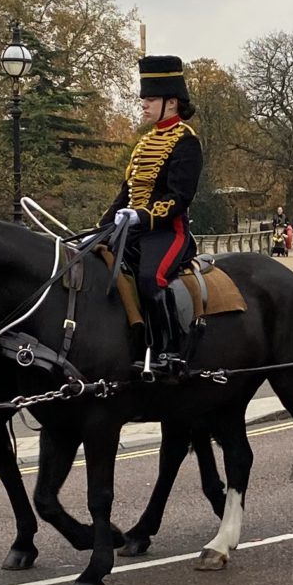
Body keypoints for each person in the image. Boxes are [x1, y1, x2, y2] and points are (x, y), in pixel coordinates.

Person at [105, 54, 203, 374]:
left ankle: (168, 352)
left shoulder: (186, 142)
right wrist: (102, 228)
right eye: (144, 99)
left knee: (151, 278)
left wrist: (141, 217)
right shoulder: (143, 144)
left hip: (167, 232)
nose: (144, 105)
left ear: (171, 102)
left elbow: (179, 197)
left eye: (150, 99)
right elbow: (125, 193)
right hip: (133, 231)